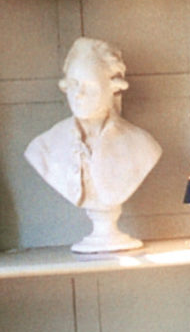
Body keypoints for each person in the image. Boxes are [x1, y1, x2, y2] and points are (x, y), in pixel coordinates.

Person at [24, 36, 162, 253]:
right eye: (73, 84)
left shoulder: (143, 146)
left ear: (113, 88)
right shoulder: (42, 149)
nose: (78, 95)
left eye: (90, 86)